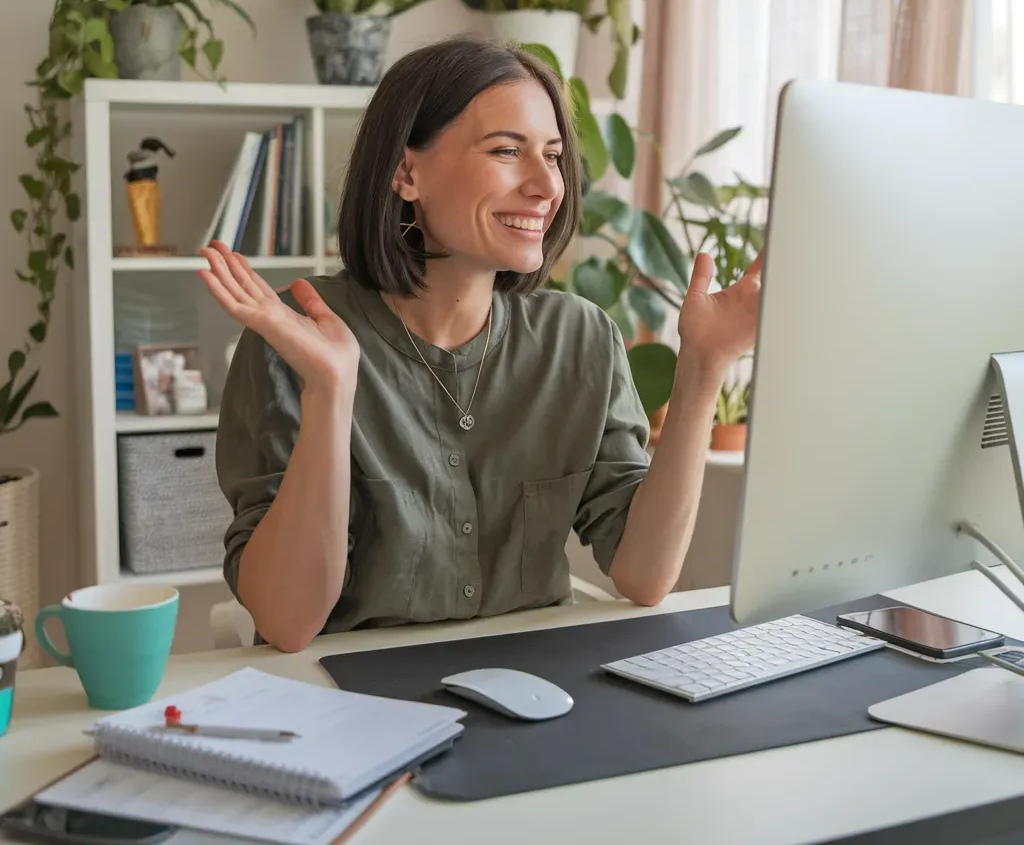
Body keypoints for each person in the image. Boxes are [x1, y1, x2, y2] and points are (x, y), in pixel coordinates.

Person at [201, 36, 760, 653]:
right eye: (505, 151)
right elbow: (286, 622)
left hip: (535, 692)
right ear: (407, 172)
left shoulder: (579, 339)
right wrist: (331, 393)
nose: (546, 185)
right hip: (352, 703)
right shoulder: (297, 337)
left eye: (552, 156)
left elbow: (644, 574)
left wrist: (705, 368)